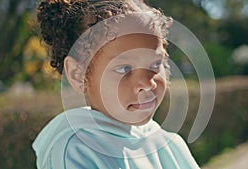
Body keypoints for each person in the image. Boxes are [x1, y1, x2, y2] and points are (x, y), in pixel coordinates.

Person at [32, 0, 200, 168]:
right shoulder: (74, 150)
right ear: (78, 74)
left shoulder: (170, 145)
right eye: (124, 69)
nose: (148, 83)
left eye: (155, 64)